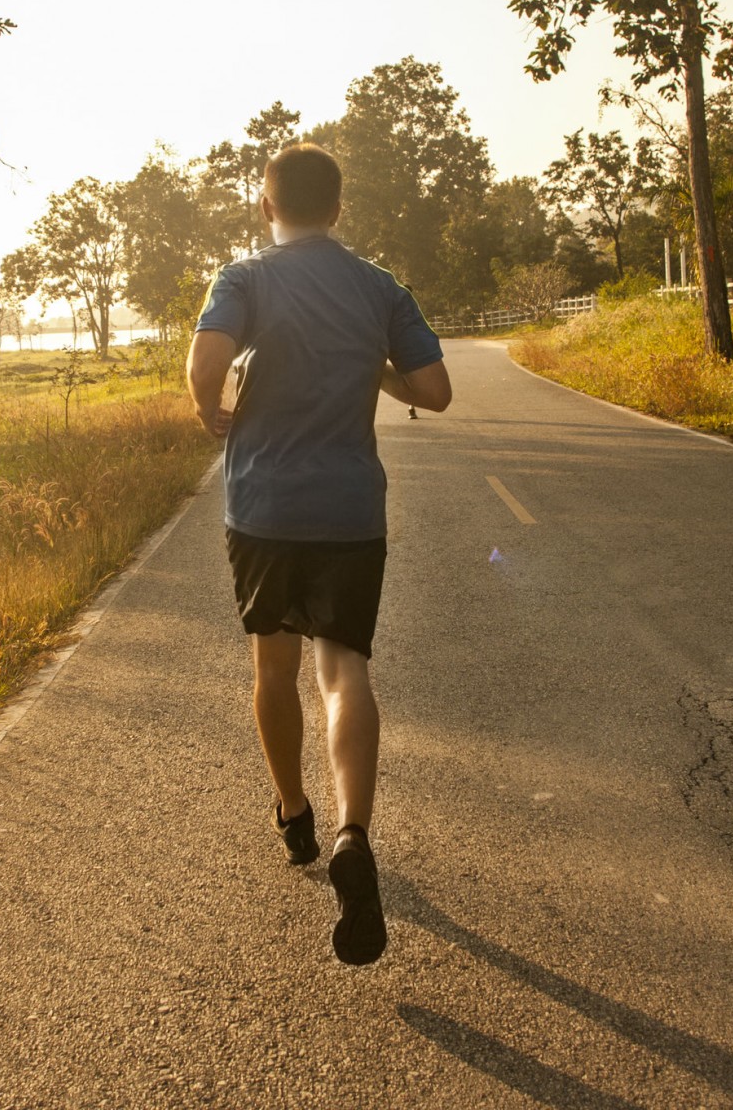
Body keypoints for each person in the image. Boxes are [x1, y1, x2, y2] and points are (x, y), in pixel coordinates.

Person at [184, 142, 452, 966]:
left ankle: (294, 815)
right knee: (344, 674)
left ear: (268, 208)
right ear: (337, 209)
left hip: (263, 509)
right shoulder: (378, 287)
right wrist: (372, 368)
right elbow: (435, 391)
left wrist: (210, 409)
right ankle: (352, 834)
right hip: (347, 511)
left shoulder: (247, 277)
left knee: (274, 670)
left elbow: (206, 360)